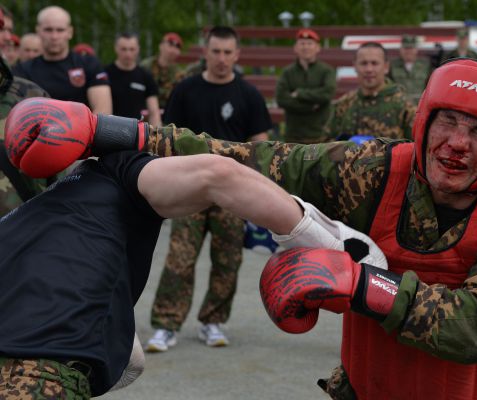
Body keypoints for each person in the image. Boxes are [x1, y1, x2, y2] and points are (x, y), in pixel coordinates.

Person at [16, 57, 477, 398]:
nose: (456, 144)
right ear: (425, 121)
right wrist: (112, 132)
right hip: (366, 388)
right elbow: (259, 159)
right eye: (447, 121)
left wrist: (361, 286)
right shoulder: (380, 169)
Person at [2, 91, 386, 399]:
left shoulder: (16, 224)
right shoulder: (115, 172)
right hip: (38, 373)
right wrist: (332, 241)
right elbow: (217, 174)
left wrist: (115, 342)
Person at [145, 25, 272, 351]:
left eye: (228, 52)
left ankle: (213, 322)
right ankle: (165, 324)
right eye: (215, 51)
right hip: (190, 188)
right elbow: (169, 141)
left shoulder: (249, 95)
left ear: (237, 55)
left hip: (233, 192)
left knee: (227, 259)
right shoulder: (186, 90)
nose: (221, 58)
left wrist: (260, 188)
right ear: (205, 52)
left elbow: (262, 147)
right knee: (180, 259)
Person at [13, 5, 111, 114]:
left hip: (82, 130)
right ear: (38, 31)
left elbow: (103, 112)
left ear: (70, 32)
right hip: (38, 130)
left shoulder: (89, 64)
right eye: (48, 30)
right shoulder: (23, 70)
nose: (54, 36)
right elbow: (16, 113)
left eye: (60, 30)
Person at [0, 9, 51, 217]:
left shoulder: (30, 96)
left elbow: (62, 182)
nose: (6, 38)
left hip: (23, 237)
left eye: (5, 29)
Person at [325, 42, 415, 140]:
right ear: (355, 66)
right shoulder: (343, 104)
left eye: (374, 63)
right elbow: (328, 144)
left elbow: (415, 148)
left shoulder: (404, 105)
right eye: (363, 63)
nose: (369, 69)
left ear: (386, 67)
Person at [275, 28, 336, 144]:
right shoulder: (287, 72)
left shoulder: (326, 71)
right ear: (295, 48)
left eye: (309, 43)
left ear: (318, 47)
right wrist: (310, 106)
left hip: (320, 135)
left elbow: (327, 93)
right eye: (302, 43)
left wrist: (299, 94)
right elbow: (281, 98)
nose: (306, 47)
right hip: (293, 137)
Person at [105, 32, 161, 127]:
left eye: (132, 49)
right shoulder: (105, 74)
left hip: (136, 132)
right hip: (110, 129)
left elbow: (154, 112)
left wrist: (157, 136)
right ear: (116, 48)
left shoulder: (146, 76)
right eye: (124, 49)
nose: (128, 53)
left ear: (138, 49)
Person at [140, 32, 182, 110]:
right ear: (161, 45)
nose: (173, 50)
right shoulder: (145, 66)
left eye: (177, 47)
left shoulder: (180, 75)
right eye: (170, 45)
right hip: (143, 111)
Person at [389, 34, 431, 103]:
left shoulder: (426, 65)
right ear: (401, 50)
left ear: (416, 50)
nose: (408, 51)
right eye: (406, 48)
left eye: (411, 48)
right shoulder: (392, 65)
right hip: (399, 104)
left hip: (419, 105)